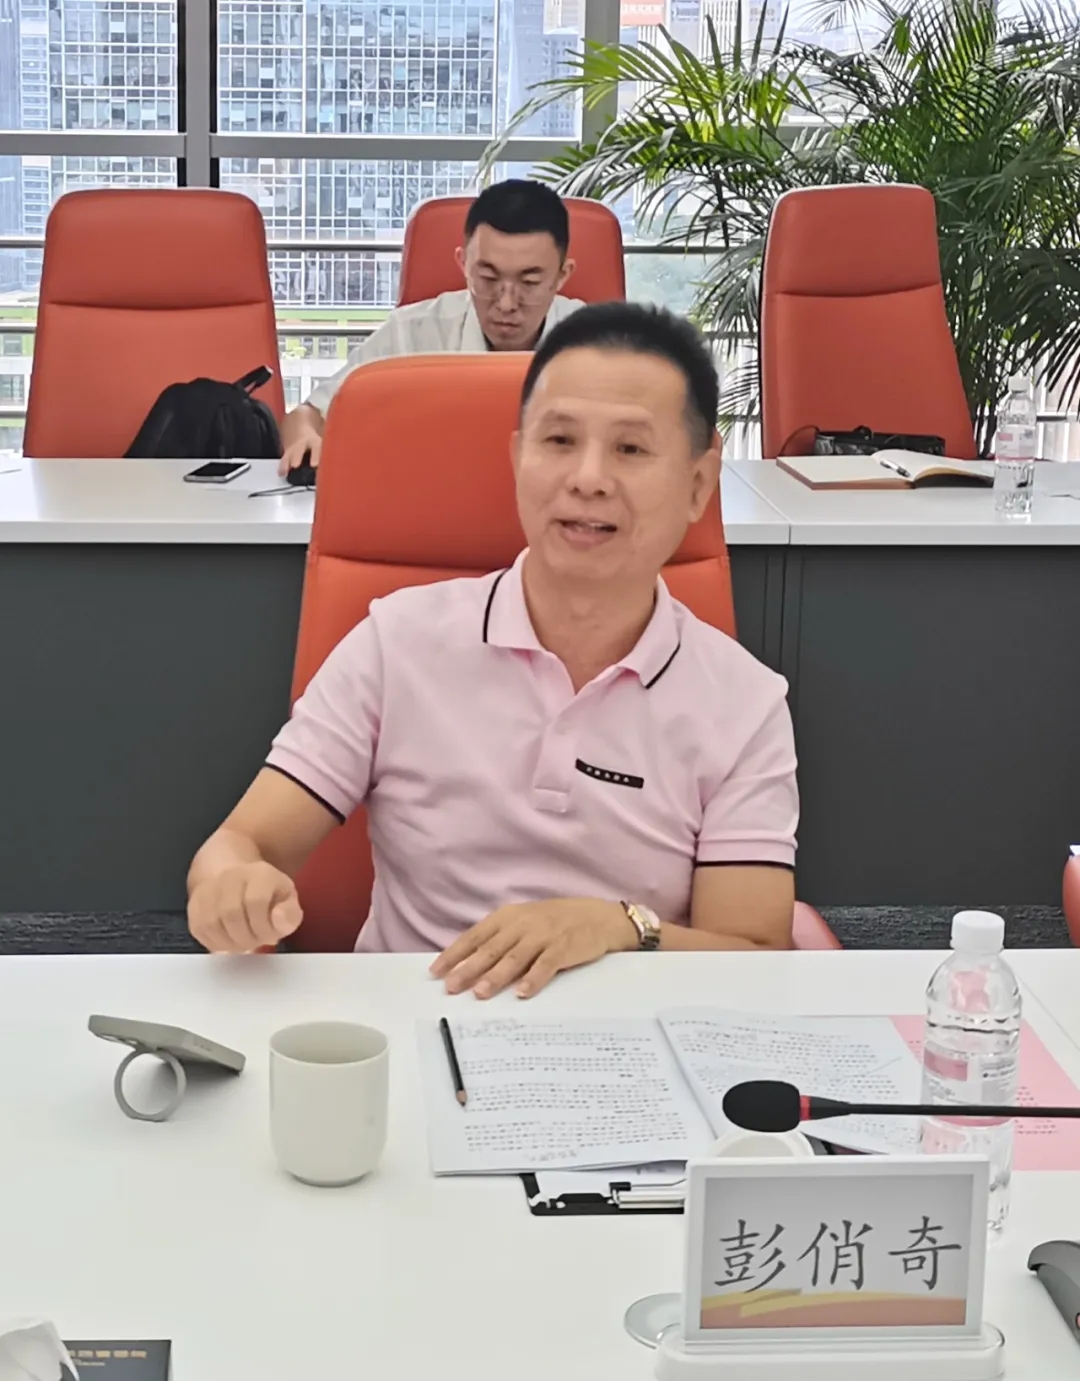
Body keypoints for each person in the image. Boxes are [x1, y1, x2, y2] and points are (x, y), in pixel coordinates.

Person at [188, 302, 799, 997]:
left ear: (697, 484)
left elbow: (753, 954)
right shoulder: (398, 642)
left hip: (631, 1036)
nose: (588, 478)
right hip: (413, 1021)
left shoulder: (744, 702)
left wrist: (620, 927)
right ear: (517, 458)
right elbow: (240, 845)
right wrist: (230, 886)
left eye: (630, 449)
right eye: (559, 440)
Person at [278, 179, 584, 475]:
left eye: (529, 282)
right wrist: (305, 440)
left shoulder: (594, 342)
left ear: (562, 275)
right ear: (463, 264)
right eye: (488, 279)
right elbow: (308, 414)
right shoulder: (412, 332)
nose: (506, 303)